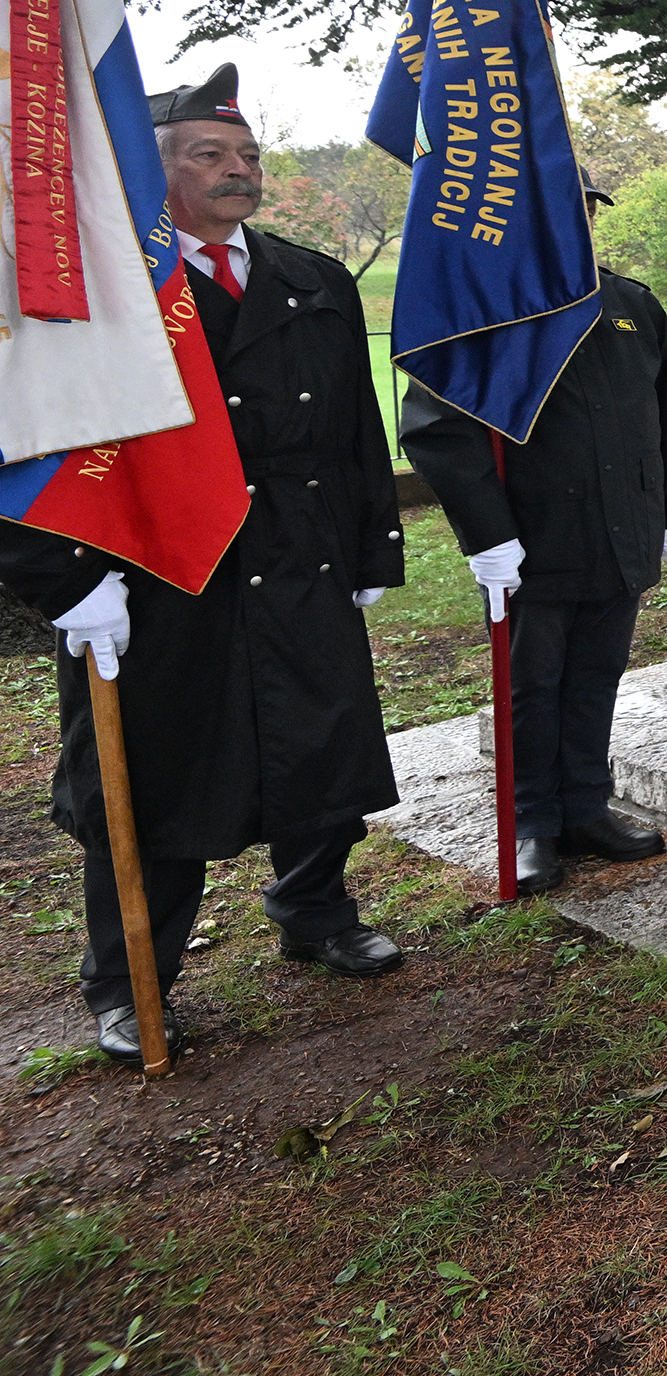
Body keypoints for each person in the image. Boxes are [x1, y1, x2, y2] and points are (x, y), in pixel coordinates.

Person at [0, 65, 407, 1065]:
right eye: (209, 154)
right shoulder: (98, 294)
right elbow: (31, 446)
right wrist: (67, 581)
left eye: (249, 155)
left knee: (317, 749)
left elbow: (356, 431)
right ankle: (129, 978)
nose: (239, 169)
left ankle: (316, 910)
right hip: (159, 580)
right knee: (156, 783)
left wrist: (370, 545)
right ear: (154, 173)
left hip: (301, 560)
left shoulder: (312, 277)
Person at [400, 172, 667, 893]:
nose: (577, 223)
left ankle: (584, 808)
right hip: (533, 537)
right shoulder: (486, 309)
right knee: (532, 686)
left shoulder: (631, 303)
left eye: (586, 210)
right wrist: (487, 534)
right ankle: (533, 821)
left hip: (621, 526)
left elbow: (664, 415)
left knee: (597, 674)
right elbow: (438, 428)